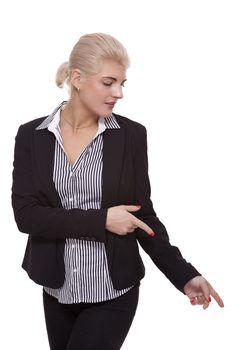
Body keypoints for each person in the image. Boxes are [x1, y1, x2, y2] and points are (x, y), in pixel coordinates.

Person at [11, 33, 224, 350]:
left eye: (123, 83)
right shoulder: (32, 135)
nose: (119, 93)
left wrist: (184, 274)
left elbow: (143, 215)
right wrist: (101, 220)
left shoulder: (130, 136)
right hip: (57, 289)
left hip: (113, 290)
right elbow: (27, 216)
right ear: (78, 78)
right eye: (109, 82)